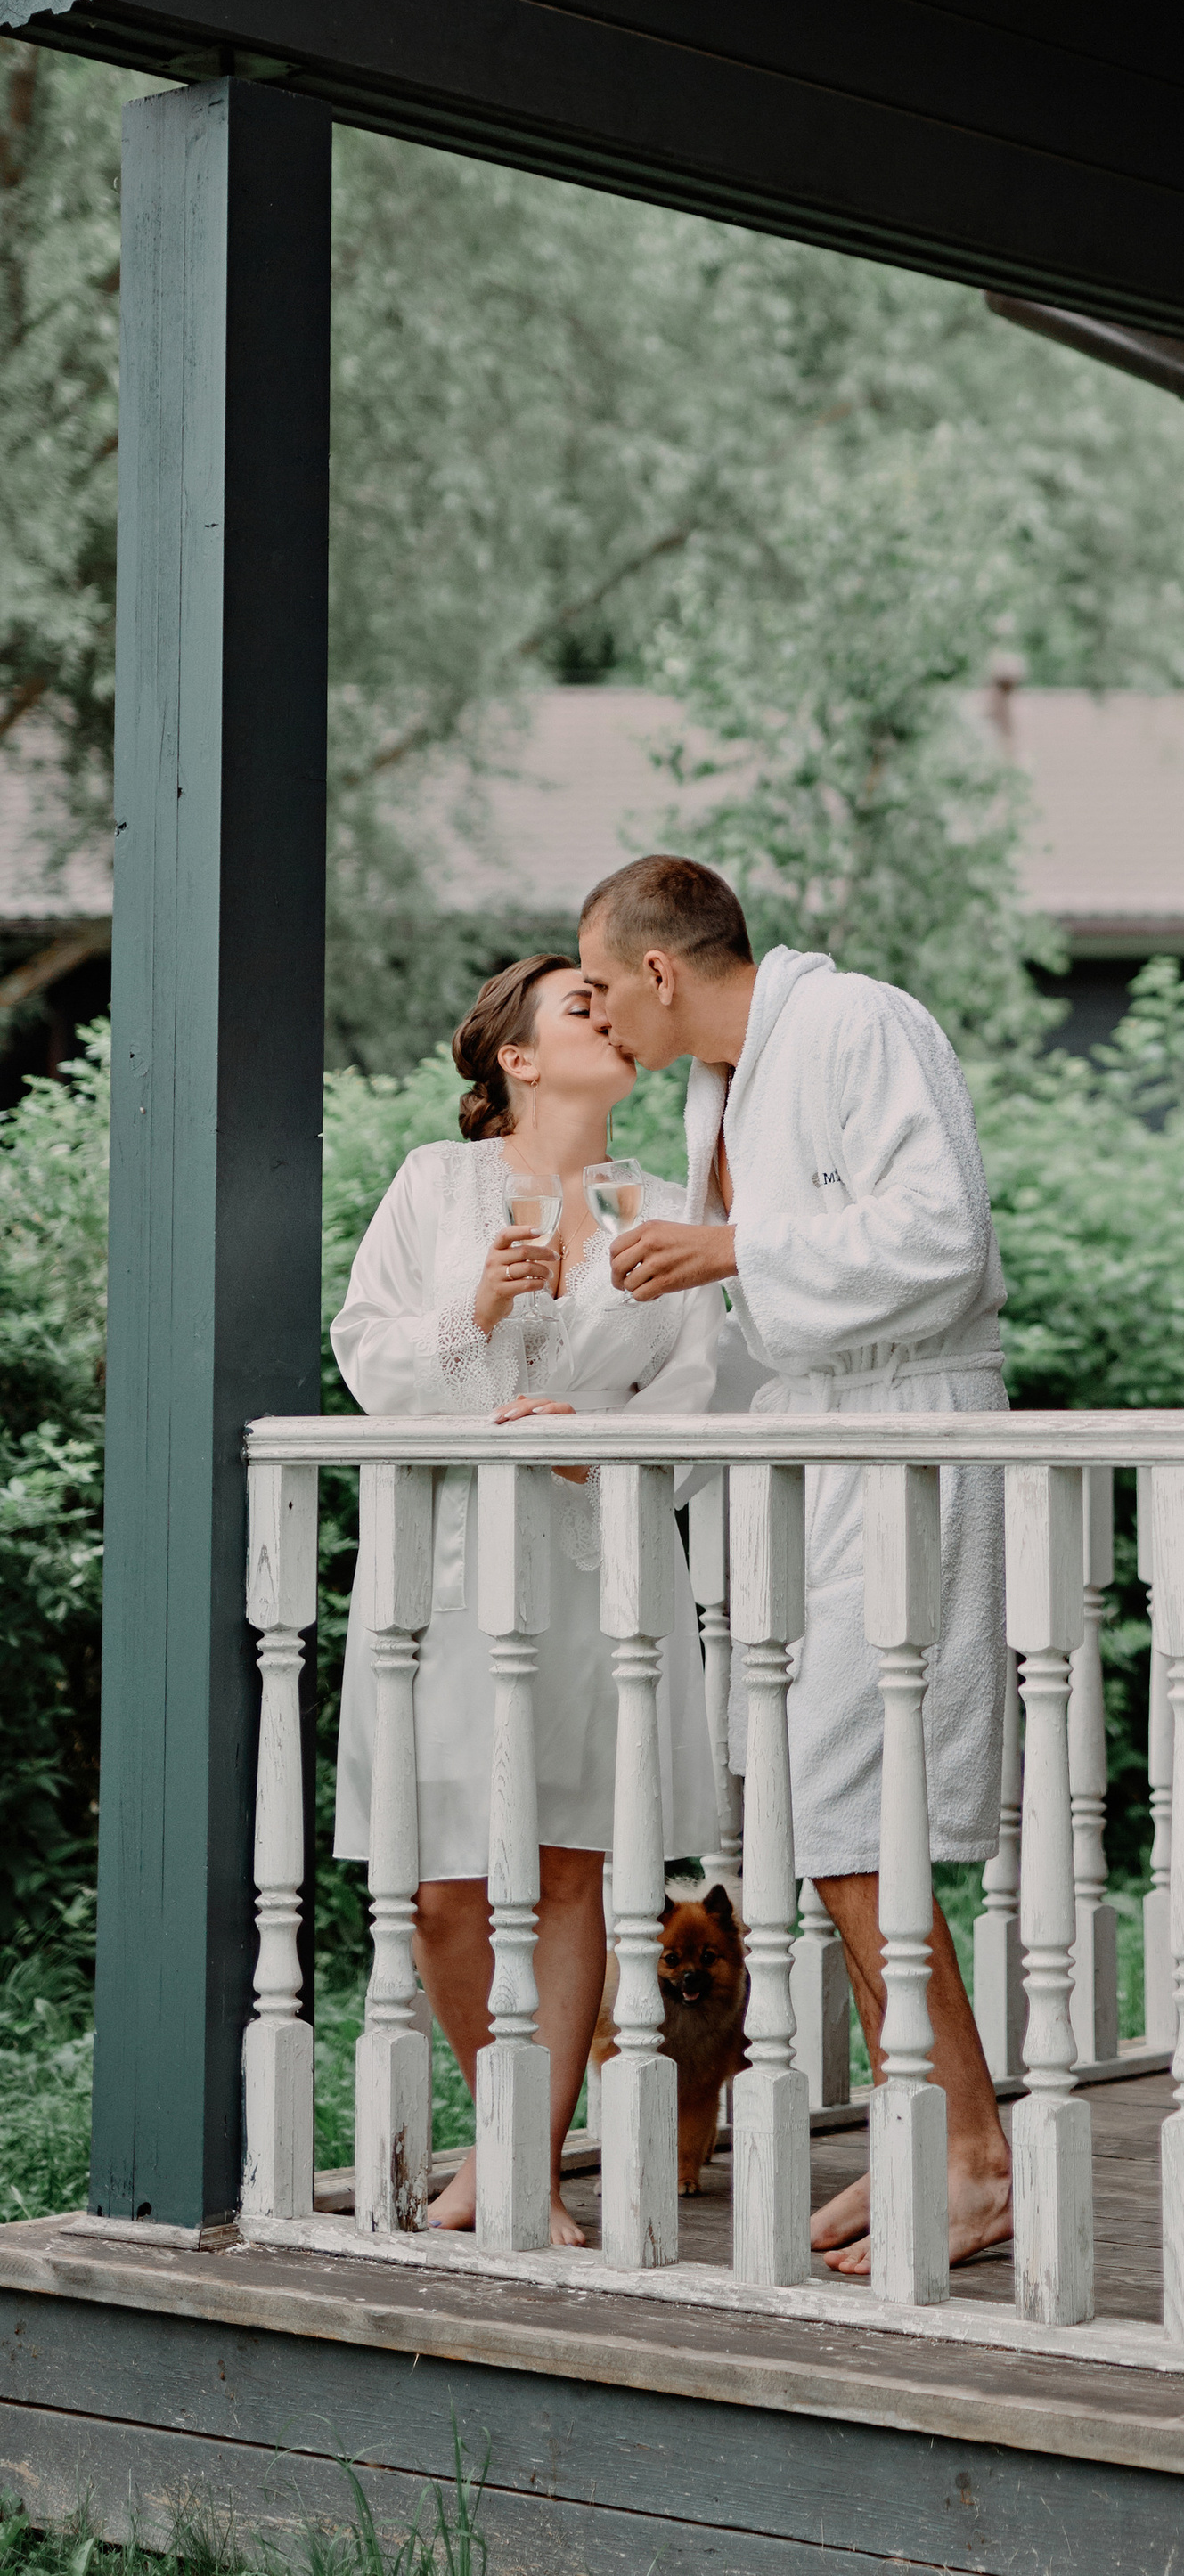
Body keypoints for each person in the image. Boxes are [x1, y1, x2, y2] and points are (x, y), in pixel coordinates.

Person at [576, 854, 1013, 2274]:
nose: (597, 1022)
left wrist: (734, 1246)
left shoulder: (858, 1025)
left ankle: (970, 2155)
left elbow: (943, 1237)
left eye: (600, 987)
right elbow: (743, 1345)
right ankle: (947, 2141)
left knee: (849, 1801)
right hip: (818, 1452)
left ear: (659, 968)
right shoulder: (724, 1096)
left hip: (903, 1434)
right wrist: (604, 1434)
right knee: (826, 1809)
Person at [331, 955, 722, 2246]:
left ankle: (524, 2171)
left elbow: (710, 1379)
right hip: (452, 1567)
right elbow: (366, 1351)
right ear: (516, 1055)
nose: (608, 1014)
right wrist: (478, 1309)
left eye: (614, 1001)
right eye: (578, 1005)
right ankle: (499, 2145)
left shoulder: (658, 1202)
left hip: (596, 1563)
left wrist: (596, 1441)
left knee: (571, 1873)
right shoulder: (434, 1188)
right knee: (444, 1885)